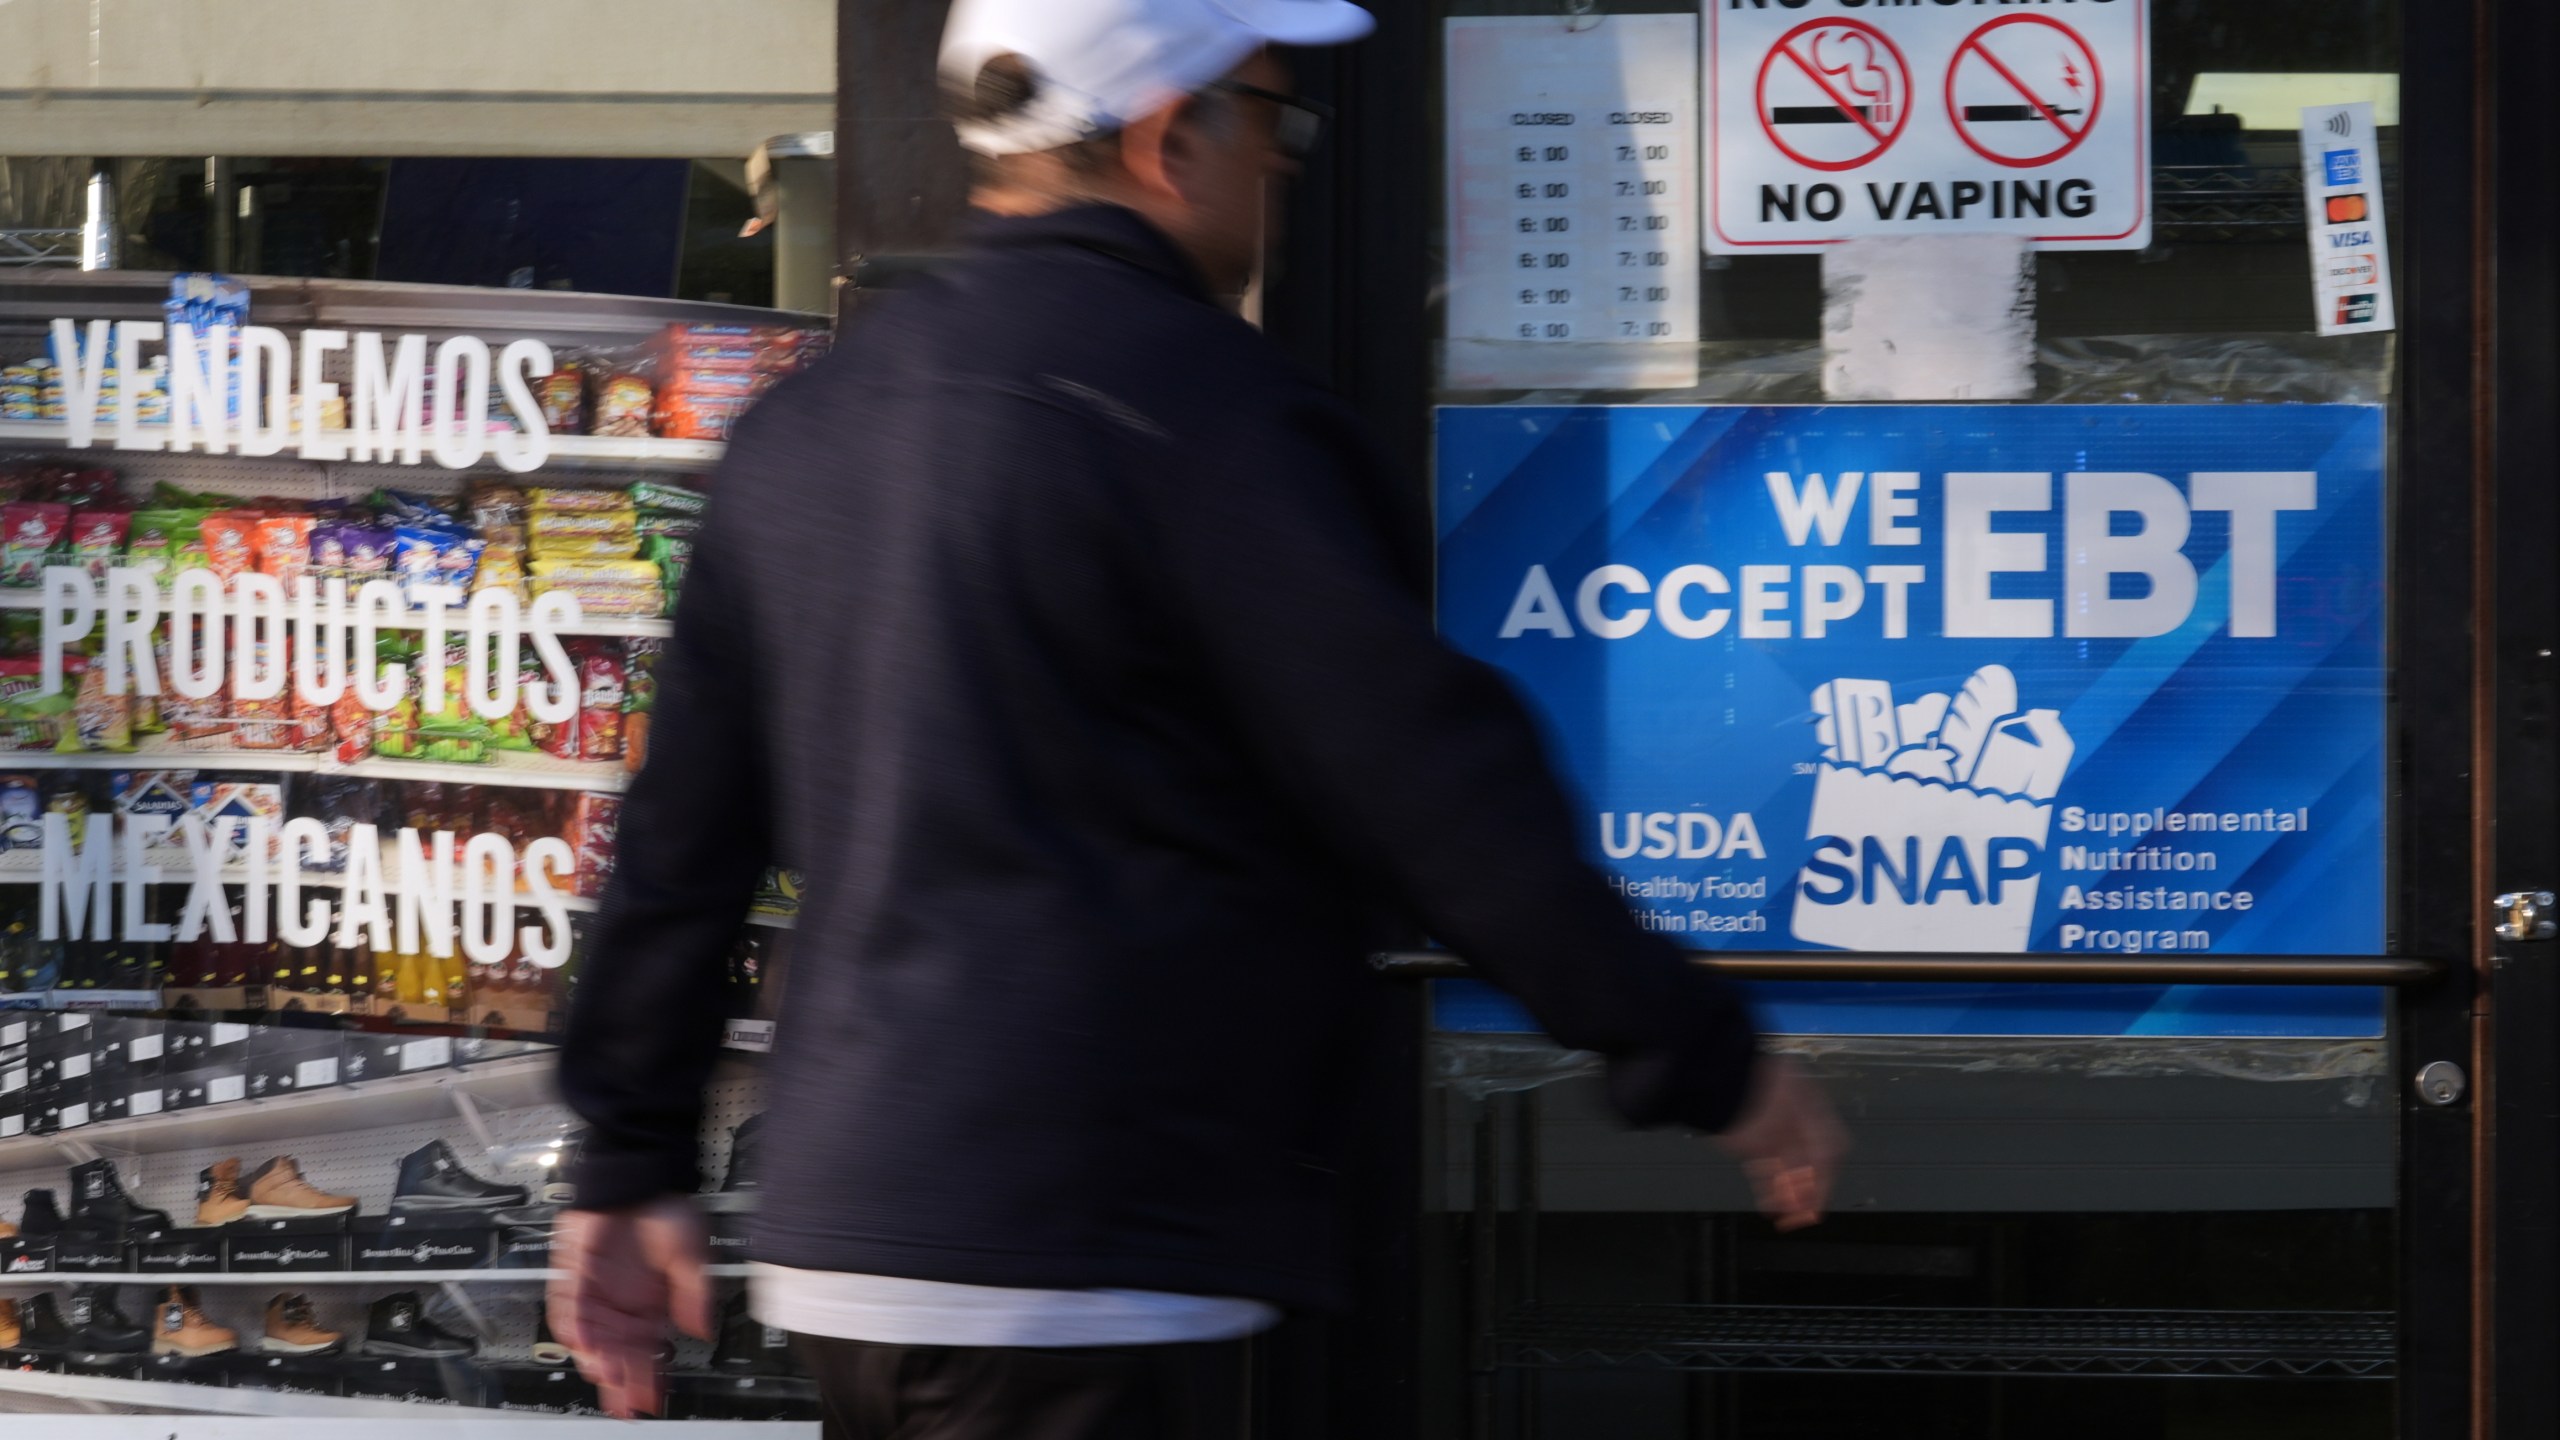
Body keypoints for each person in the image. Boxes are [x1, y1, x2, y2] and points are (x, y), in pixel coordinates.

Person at [549, 0, 1846, 1435]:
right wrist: (1699, 1055)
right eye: (1278, 122)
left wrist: (625, 1154)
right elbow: (1431, 787)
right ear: (1174, 138)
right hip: (1094, 1238)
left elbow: (681, 839)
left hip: (853, 1233)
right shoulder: (1206, 413)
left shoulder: (808, 427)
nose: (1287, 167)